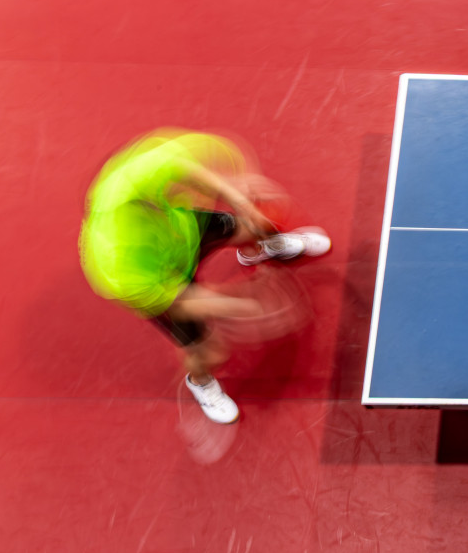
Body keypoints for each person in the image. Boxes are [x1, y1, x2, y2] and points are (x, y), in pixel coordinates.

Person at [79, 130, 330, 424]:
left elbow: (188, 171)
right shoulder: (118, 266)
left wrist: (242, 202)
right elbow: (183, 302)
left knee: (252, 226)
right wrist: (246, 307)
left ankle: (263, 248)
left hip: (180, 231)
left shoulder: (132, 178)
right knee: (210, 352)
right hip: (166, 282)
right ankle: (200, 383)